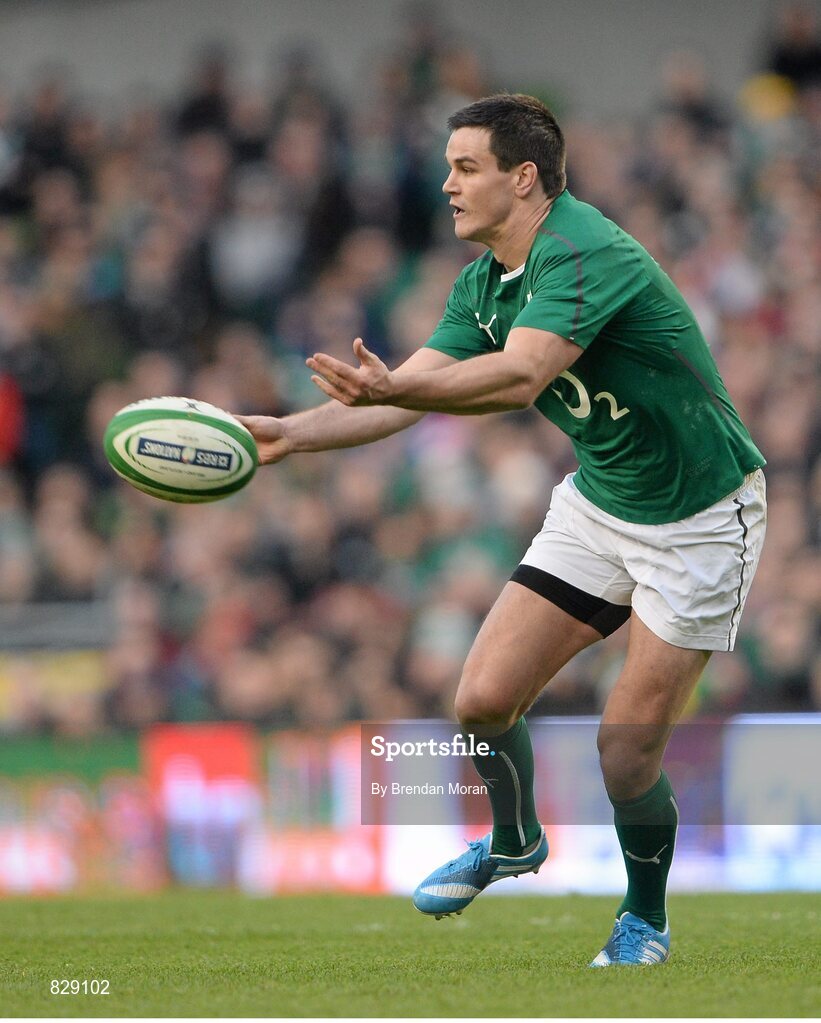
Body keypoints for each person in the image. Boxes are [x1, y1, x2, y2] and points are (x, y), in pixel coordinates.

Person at [237, 94, 766, 966]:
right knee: (480, 701)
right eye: (447, 166)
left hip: (701, 518)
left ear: (523, 179)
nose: (445, 184)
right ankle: (514, 838)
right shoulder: (484, 280)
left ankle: (644, 919)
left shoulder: (581, 251)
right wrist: (290, 436)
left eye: (464, 167)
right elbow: (403, 392)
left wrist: (393, 390)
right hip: (600, 502)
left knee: (624, 749)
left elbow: (519, 378)